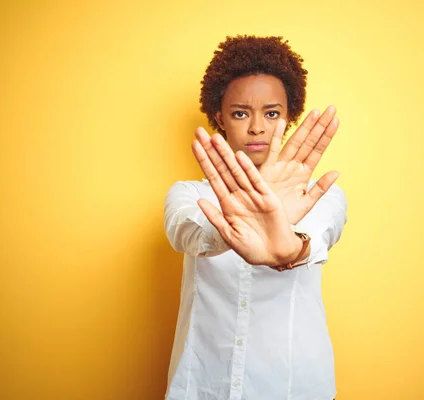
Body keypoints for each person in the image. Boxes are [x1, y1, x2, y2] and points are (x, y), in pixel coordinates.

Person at [164, 35, 347, 400]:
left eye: (272, 113)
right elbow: (186, 233)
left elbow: (315, 239)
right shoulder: (189, 195)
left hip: (293, 385)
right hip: (202, 385)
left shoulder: (320, 195)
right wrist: (235, 225)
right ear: (220, 117)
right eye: (241, 113)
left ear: (289, 117)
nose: (257, 128)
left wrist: (291, 248)